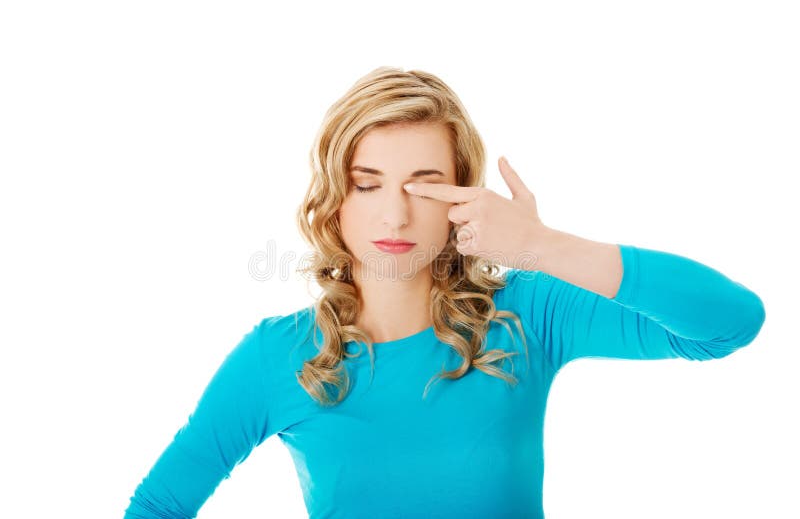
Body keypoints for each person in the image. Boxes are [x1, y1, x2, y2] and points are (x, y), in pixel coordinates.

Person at [124, 66, 766, 518]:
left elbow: (729, 324)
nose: (395, 217)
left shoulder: (530, 316)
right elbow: (157, 506)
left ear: (463, 197)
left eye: (424, 184)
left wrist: (541, 245)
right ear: (334, 200)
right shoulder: (277, 357)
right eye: (367, 183)